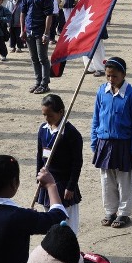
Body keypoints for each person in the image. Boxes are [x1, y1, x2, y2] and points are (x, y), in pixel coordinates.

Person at [92, 57, 132, 229]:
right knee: (107, 179)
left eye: (114, 76)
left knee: (124, 179)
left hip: (124, 144)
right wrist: (94, 141)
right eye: (108, 76)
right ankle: (110, 210)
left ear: (123, 74)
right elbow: (96, 118)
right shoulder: (101, 92)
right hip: (105, 143)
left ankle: (124, 213)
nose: (111, 80)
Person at [37, 94, 84, 233]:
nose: (47, 119)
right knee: (50, 223)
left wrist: (71, 186)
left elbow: (77, 163)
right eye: (44, 115)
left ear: (61, 112)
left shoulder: (71, 134)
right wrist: (38, 177)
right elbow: (40, 156)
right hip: (47, 182)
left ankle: (71, 252)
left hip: (64, 185)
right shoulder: (43, 130)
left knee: (68, 224)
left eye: (50, 115)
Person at [20, 0, 55, 94]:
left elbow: (49, 15)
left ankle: (45, 84)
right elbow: (23, 12)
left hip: (40, 32)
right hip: (29, 30)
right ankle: (38, 82)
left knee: (42, 58)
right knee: (34, 58)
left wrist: (46, 33)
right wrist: (22, 29)